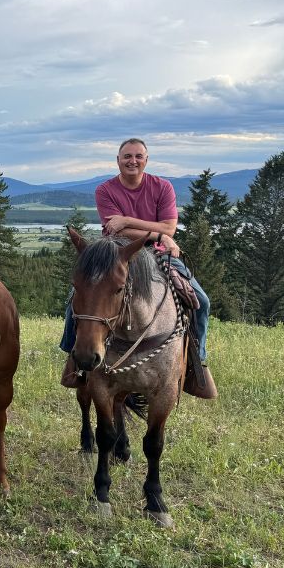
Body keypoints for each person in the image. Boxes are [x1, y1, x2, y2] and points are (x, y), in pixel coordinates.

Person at [59, 137, 216, 398]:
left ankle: (196, 363)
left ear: (146, 160)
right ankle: (73, 360)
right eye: (127, 156)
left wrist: (130, 221)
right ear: (118, 160)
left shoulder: (162, 187)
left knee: (200, 300)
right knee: (76, 299)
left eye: (138, 156)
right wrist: (156, 234)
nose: (133, 161)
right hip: (117, 254)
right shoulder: (105, 190)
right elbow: (114, 228)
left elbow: (169, 227)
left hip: (159, 254)